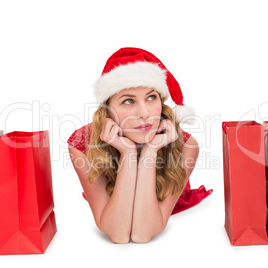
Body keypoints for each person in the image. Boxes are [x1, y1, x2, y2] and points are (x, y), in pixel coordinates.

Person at [68, 47, 212, 244]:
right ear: (109, 111)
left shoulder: (186, 145)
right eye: (128, 101)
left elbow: (142, 234)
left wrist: (150, 151)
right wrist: (127, 153)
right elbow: (117, 234)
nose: (144, 113)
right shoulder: (82, 144)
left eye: (151, 98)